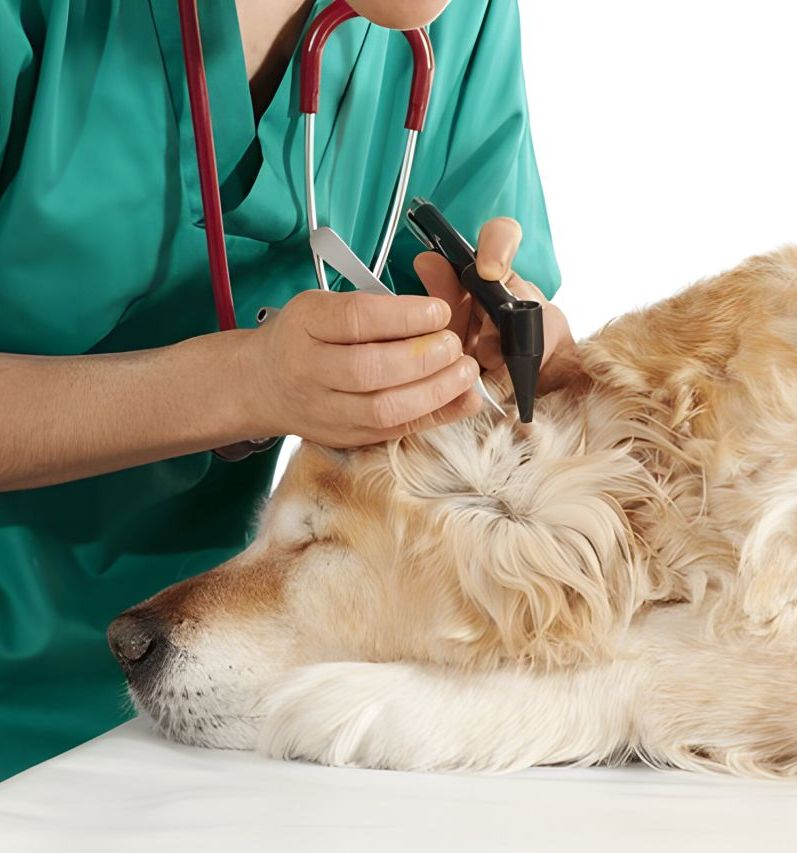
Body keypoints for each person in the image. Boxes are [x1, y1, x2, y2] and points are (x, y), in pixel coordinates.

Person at [0, 0, 573, 779]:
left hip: (211, 690)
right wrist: (244, 380)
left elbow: (513, 359)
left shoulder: (460, 18)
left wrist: (508, 353)